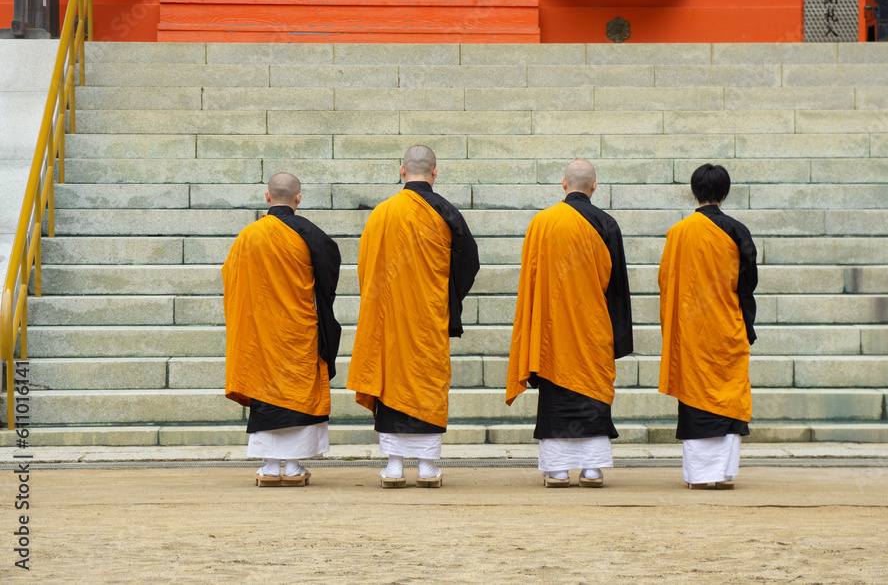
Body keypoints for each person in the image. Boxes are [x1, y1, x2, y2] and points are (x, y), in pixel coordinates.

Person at [347, 145, 479, 489]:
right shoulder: (446, 212)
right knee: (427, 384)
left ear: (402, 170)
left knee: (393, 382)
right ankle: (426, 467)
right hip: (428, 320)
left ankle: (393, 466)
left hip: (389, 321)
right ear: (435, 172)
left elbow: (366, 268)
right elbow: (469, 264)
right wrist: (445, 299)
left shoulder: (381, 213)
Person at [506, 159, 633, 488]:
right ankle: (592, 469)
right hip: (593, 329)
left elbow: (530, 283)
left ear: (564, 184)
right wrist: (618, 339)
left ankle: (558, 469)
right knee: (592, 395)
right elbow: (617, 288)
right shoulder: (607, 224)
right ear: (594, 186)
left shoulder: (543, 222)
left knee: (556, 397)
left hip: (551, 331)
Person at [223, 173, 342, 487]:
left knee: (267, 396)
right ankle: (292, 467)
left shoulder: (248, 236)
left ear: (267, 197)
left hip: (261, 335)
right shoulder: (310, 234)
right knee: (297, 394)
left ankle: (271, 467)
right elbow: (330, 271)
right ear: (298, 198)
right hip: (298, 331)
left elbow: (231, 278)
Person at [658, 163, 757, 490]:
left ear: (694, 191)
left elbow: (665, 282)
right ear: (724, 193)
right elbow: (748, 283)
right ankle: (724, 474)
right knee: (727, 397)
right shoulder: (737, 230)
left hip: (690, 331)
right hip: (726, 327)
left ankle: (700, 475)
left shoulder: (678, 232)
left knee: (696, 396)